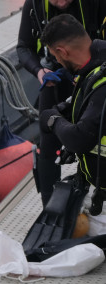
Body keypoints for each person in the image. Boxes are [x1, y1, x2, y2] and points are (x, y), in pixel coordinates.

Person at [16, 0, 106, 205]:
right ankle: (49, 204)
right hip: (55, 75)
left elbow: (79, 138)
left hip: (93, 68)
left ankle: (93, 183)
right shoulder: (35, 5)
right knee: (47, 138)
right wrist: (39, 71)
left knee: (90, 132)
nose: (62, 2)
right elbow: (23, 46)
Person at [39, 13, 106, 214]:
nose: (57, 61)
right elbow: (87, 106)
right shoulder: (95, 66)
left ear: (62, 51)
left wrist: (53, 120)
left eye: (55, 56)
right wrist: (63, 113)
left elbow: (79, 138)